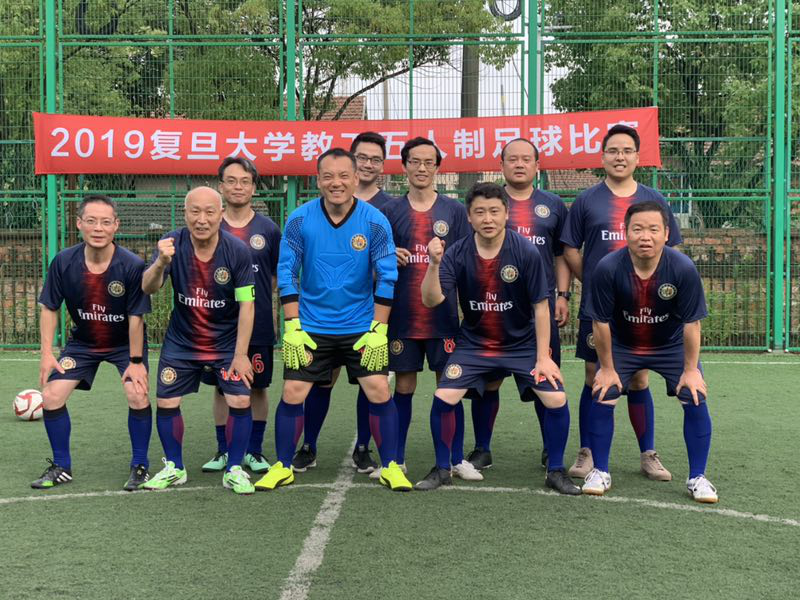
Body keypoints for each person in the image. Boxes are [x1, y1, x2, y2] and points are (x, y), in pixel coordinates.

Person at [255, 148, 412, 492]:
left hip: (361, 327)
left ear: (356, 179)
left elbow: (387, 276)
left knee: (378, 389)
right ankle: (283, 465)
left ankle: (390, 466)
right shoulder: (300, 219)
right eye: (328, 176)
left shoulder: (374, 220)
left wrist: (379, 330)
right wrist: (293, 326)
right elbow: (287, 272)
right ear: (318, 180)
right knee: (293, 391)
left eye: (343, 176)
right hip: (312, 327)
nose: (336, 183)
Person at [415, 182, 580, 494]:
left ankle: (556, 470)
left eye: (494, 211)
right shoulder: (457, 252)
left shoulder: (525, 251)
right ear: (469, 217)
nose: (487, 218)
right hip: (475, 343)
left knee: (556, 398)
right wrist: (433, 264)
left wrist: (543, 357)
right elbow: (431, 299)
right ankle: (441, 468)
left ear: (506, 213)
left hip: (522, 344)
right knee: (444, 396)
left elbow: (541, 308)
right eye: (480, 212)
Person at [561, 124, 681, 481]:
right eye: (613, 150)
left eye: (627, 151)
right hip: (599, 307)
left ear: (637, 157)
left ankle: (648, 454)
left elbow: (673, 248)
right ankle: (587, 452)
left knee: (639, 378)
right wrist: (595, 283)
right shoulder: (587, 200)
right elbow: (570, 248)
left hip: (644, 308)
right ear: (603, 157)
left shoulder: (654, 200)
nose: (620, 157)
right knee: (593, 375)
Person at [583, 201, 717, 503]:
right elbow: (600, 323)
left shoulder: (682, 268)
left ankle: (698, 477)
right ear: (625, 232)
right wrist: (607, 368)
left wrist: (691, 370)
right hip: (624, 344)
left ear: (666, 233)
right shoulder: (608, 268)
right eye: (638, 229)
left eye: (654, 229)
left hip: (669, 344)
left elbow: (692, 323)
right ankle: (600, 471)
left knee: (694, 394)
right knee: (603, 391)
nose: (646, 236)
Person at [376, 136, 479, 482]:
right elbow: (373, 261)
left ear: (437, 167)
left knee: (449, 386)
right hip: (402, 316)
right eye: (415, 162)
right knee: (403, 386)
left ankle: (455, 458)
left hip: (443, 318)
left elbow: (467, 260)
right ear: (404, 166)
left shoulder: (454, 211)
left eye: (428, 162)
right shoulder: (389, 212)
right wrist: (388, 257)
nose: (422, 168)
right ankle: (396, 460)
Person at [141, 186, 257, 495]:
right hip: (182, 341)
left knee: (240, 400)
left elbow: (247, 305)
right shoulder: (171, 244)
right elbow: (148, 287)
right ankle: (174, 468)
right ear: (185, 214)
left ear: (221, 215)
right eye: (195, 211)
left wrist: (241, 354)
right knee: (166, 401)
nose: (201, 219)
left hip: (226, 342)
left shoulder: (237, 251)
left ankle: (234, 469)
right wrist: (160, 262)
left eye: (209, 212)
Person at [33, 195, 152, 491]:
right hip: (84, 343)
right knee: (51, 395)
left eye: (105, 222)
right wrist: (47, 353)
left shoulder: (132, 265)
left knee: (137, 394)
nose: (98, 228)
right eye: (91, 221)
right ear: (79, 224)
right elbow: (49, 307)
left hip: (125, 344)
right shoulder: (64, 261)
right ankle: (61, 466)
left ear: (116, 226)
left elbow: (136, 318)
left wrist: (136, 362)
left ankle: (140, 466)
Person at [293, 132, 394, 474]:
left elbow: (391, 262)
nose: (367, 164)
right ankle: (308, 445)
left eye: (375, 159)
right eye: (362, 157)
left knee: (371, 381)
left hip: (367, 314)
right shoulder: (308, 214)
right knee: (322, 380)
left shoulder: (385, 209)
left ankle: (364, 447)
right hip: (320, 316)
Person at [468, 138, 571, 472]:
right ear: (501, 165)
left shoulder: (553, 204)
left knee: (545, 377)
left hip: (538, 310)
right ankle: (482, 448)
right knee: (489, 381)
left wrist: (563, 295)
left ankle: (550, 449)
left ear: (537, 166)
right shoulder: (490, 202)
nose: (519, 164)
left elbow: (560, 254)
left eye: (526, 159)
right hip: (493, 309)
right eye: (512, 159)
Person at [200, 157, 281, 476]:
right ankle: (223, 449)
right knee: (221, 388)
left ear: (253, 187)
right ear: (221, 186)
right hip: (217, 327)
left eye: (245, 181)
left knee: (257, 387)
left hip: (257, 324)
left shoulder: (268, 229)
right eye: (231, 181)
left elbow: (274, 277)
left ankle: (254, 451)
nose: (238, 187)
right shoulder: (209, 226)